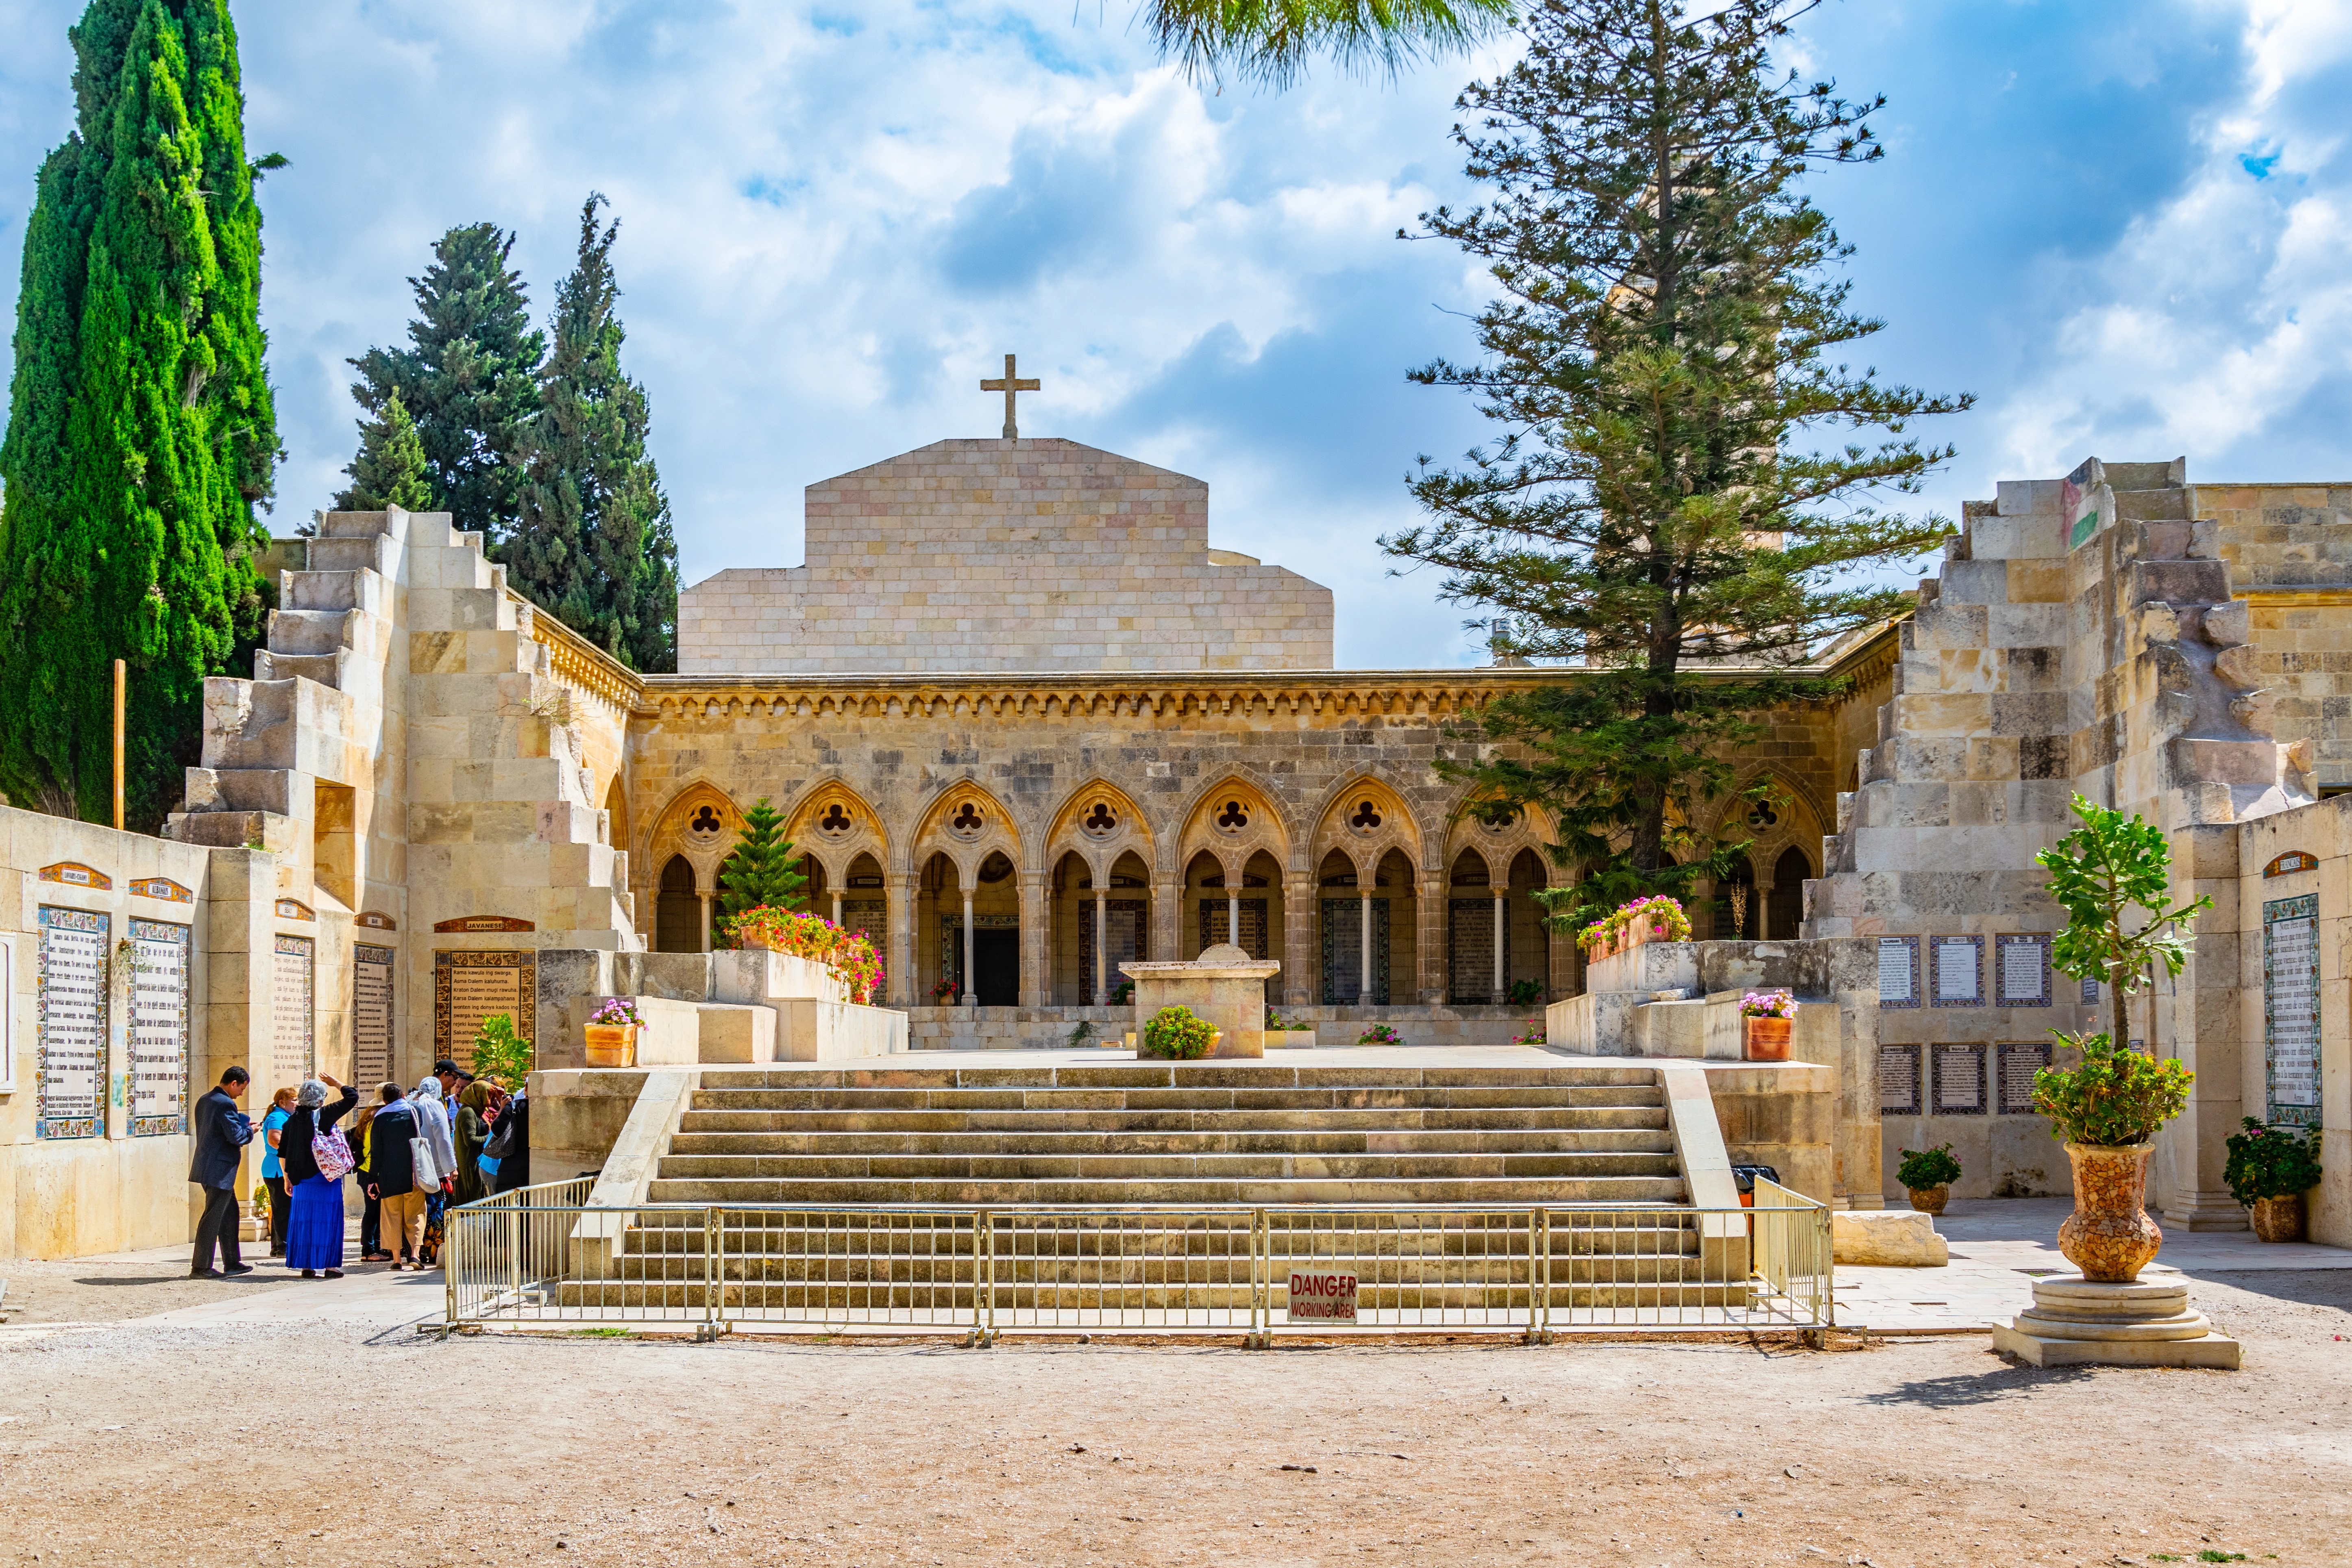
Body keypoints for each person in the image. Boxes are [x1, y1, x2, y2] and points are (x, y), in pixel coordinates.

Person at [279, 1075, 360, 1278]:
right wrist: (336, 1084)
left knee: (305, 1222)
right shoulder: (324, 1115)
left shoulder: (290, 1122)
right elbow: (352, 1097)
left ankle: (308, 1266)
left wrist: (286, 1179)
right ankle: (330, 1267)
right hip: (326, 1178)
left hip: (302, 1181)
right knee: (328, 1221)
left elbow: (283, 1153)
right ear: (319, 1100)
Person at [189, 1066, 255, 1278]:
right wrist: (250, 1131)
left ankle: (232, 1262)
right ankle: (201, 1267)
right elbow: (236, 1136)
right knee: (213, 1218)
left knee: (230, 1213)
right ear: (233, 1083)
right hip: (220, 1169)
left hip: (208, 1166)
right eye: (242, 1088)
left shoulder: (205, 1099)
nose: (242, 1094)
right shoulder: (226, 1103)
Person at [362, 1083, 428, 1270]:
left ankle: (397, 1259)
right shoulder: (415, 1113)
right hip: (413, 1174)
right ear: (403, 1095)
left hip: (388, 1176)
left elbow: (377, 1152)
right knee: (415, 1215)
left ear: (384, 1100)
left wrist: (372, 1179)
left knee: (391, 1216)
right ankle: (415, 1255)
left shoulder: (380, 1119)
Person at [409, 1076, 459, 1266]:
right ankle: (434, 1251)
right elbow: (443, 1138)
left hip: (412, 1167)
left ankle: (415, 1251)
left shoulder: (410, 1102)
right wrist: (451, 1167)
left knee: (416, 1210)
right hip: (433, 1167)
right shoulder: (434, 1105)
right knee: (436, 1208)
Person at [259, 1086, 296, 1257]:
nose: (297, 1103)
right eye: (294, 1100)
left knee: (283, 1208)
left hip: (280, 1169)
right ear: (282, 1102)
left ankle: (279, 1246)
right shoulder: (277, 1116)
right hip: (277, 1170)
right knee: (282, 1209)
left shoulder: (286, 1116)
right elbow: (275, 1140)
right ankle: (281, 1246)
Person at [352, 1098, 387, 1262]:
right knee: (373, 1212)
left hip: (366, 1172)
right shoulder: (376, 1120)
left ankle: (376, 1248)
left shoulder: (369, 1118)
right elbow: (375, 1149)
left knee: (376, 1211)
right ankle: (369, 1250)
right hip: (371, 1173)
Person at [453, 1080, 494, 1206]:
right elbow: (471, 1140)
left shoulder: (477, 1110)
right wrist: (491, 1137)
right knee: (474, 1201)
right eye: (488, 1095)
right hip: (471, 1164)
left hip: (478, 1162)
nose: (489, 1099)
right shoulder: (468, 1112)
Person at [489, 1082, 530, 1194]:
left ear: (526, 1088)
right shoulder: (549, 1108)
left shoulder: (514, 1106)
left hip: (511, 1169)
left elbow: (497, 1130)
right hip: (539, 1171)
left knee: (509, 1209)